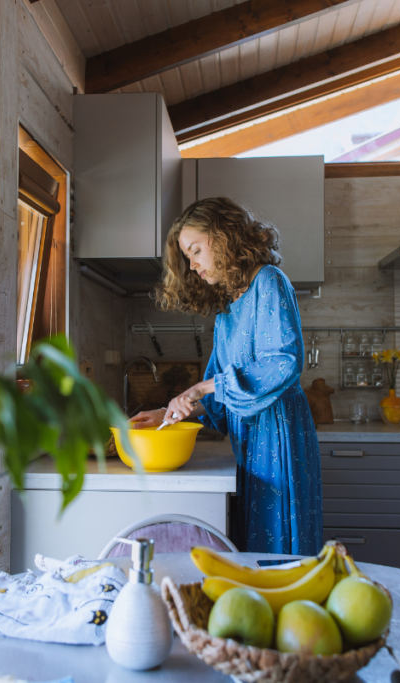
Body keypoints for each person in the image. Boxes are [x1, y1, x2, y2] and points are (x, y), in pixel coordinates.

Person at [129, 197, 323, 555]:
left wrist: (200, 386)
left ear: (224, 236)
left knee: (280, 541)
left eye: (196, 250)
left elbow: (283, 363)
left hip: (279, 436)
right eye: (188, 258)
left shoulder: (269, 281)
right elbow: (219, 393)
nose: (193, 265)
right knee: (255, 542)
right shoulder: (227, 310)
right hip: (249, 440)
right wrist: (169, 412)